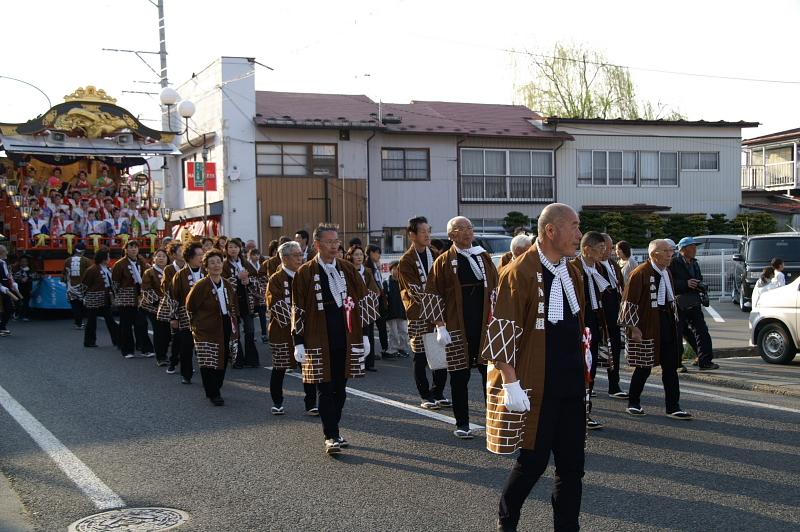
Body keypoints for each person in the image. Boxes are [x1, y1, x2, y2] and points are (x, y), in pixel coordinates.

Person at [485, 203, 587, 532]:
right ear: (551, 231)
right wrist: (510, 383)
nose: (579, 234)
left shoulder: (573, 271)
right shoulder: (519, 272)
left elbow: (579, 324)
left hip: (572, 382)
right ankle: (507, 520)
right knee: (533, 462)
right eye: (573, 226)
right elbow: (501, 331)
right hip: (538, 385)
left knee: (572, 467)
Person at [291, 224, 369, 454]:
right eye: (329, 242)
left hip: (345, 333)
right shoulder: (305, 272)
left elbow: (363, 300)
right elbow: (298, 308)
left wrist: (365, 335)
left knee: (341, 387)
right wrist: (298, 340)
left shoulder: (347, 268)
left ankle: (334, 427)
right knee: (324, 387)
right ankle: (331, 434)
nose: (334, 246)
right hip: (318, 334)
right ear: (317, 245)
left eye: (336, 241)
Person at [425, 216, 499, 439]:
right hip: (457, 325)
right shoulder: (444, 261)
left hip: (484, 324)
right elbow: (432, 294)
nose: (468, 232)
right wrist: (439, 325)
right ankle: (462, 423)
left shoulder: (482, 256)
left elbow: (496, 287)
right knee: (459, 376)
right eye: (461, 229)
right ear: (451, 235)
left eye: (470, 228)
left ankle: (493, 421)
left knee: (490, 374)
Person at [621, 239, 692, 419]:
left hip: (666, 322)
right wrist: (633, 328)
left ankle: (673, 406)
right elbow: (628, 302)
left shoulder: (666, 271)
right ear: (654, 254)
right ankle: (633, 402)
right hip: (647, 324)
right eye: (666, 251)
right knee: (644, 366)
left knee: (670, 367)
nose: (671, 254)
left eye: (671, 251)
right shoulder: (640, 273)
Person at [397, 216, 448, 410]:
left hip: (439, 312)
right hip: (419, 313)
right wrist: (437, 302)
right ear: (412, 235)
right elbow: (414, 291)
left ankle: (438, 392)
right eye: (423, 231)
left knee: (440, 353)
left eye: (429, 230)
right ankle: (425, 395)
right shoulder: (406, 261)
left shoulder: (434, 254)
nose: (427, 234)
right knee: (420, 356)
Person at [266, 241, 317, 415]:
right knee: (280, 367)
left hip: (307, 330)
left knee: (308, 367)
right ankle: (277, 402)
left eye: (300, 254)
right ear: (284, 258)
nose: (300, 258)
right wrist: (297, 319)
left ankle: (311, 404)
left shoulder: (307, 274)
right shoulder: (276, 279)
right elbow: (275, 304)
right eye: (296, 255)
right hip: (281, 331)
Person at [186, 249, 240, 406]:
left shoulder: (227, 284)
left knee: (222, 358)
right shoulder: (201, 285)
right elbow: (191, 306)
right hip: (205, 327)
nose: (216, 265)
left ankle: (216, 386)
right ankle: (213, 393)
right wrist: (196, 325)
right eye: (212, 263)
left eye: (218, 262)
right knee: (208, 360)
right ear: (206, 267)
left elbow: (233, 305)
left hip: (225, 324)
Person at [570, 231, 608, 430]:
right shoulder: (572, 268)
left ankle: (585, 412)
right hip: (577, 323)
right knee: (578, 368)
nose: (604, 252)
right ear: (587, 249)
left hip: (594, 321)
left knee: (590, 367)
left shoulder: (599, 268)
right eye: (600, 248)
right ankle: (577, 413)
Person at [670, 236, 718, 371]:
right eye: (692, 247)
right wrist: (685, 283)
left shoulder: (694, 263)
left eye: (695, 246)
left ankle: (705, 361)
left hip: (694, 301)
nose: (695, 249)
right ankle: (677, 364)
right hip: (679, 303)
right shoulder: (673, 262)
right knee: (677, 333)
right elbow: (668, 282)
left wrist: (700, 284)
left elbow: (699, 278)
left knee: (702, 331)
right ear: (683, 249)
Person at [168, 242, 205, 384]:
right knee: (186, 346)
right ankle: (186, 373)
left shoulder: (206, 272)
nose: (201, 257)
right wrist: (174, 316)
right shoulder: (180, 275)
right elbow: (173, 297)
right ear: (189, 257)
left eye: (202, 254)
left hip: (205, 315)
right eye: (198, 255)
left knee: (204, 346)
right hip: (185, 315)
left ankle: (206, 373)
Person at [112, 241, 154, 358]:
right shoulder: (119, 264)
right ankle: (127, 350)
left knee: (142, 323)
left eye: (135, 247)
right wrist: (120, 296)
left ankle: (145, 348)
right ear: (126, 250)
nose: (134, 250)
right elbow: (115, 283)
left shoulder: (142, 262)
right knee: (126, 325)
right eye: (131, 247)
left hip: (140, 297)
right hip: (125, 297)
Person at [222, 238, 260, 368]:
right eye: (230, 247)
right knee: (235, 332)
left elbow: (256, 279)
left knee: (250, 330)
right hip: (232, 303)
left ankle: (251, 359)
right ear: (226, 249)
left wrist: (248, 281)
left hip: (246, 301)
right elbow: (222, 282)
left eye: (236, 247)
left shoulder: (246, 263)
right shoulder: (224, 265)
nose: (233, 249)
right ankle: (237, 359)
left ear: (240, 249)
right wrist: (237, 279)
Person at [598, 233, 628, 399]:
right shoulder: (589, 265)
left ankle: (614, 384)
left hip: (615, 314)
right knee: (592, 350)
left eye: (611, 248)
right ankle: (589, 385)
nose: (611, 251)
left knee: (614, 349)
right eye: (608, 248)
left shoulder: (613, 265)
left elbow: (621, 286)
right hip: (597, 315)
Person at [345, 244, 382, 372]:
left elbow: (374, 288)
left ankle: (369, 362)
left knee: (369, 334)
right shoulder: (347, 270)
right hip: (352, 307)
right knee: (353, 334)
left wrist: (369, 297)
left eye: (361, 254)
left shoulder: (367, 271)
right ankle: (354, 361)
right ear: (350, 256)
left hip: (366, 305)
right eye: (356, 254)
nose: (359, 257)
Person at [81, 249, 119, 348]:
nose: (109, 259)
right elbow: (84, 285)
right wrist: (83, 297)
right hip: (94, 298)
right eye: (108, 257)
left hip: (105, 298)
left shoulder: (107, 268)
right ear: (103, 259)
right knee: (91, 321)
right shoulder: (92, 270)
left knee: (110, 320)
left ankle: (117, 340)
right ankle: (89, 341)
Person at [158, 240, 185, 373]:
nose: (183, 253)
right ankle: (173, 361)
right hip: (174, 304)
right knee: (176, 336)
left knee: (187, 336)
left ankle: (185, 364)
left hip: (187, 305)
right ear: (173, 255)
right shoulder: (169, 269)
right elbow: (166, 288)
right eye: (180, 251)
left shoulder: (189, 266)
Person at [141, 248, 170, 367]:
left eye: (164, 256)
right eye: (159, 256)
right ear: (154, 258)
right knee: (159, 331)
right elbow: (146, 289)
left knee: (167, 333)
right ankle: (160, 357)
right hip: (153, 307)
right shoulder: (149, 272)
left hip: (168, 306)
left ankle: (164, 353)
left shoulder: (170, 271)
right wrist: (157, 302)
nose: (161, 258)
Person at [365, 244, 389, 358]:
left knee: (382, 326)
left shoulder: (376, 266)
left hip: (380, 299)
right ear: (371, 253)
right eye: (377, 252)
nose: (379, 255)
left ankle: (385, 349)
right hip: (372, 300)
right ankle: (370, 353)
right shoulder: (367, 267)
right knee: (370, 328)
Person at [384, 261, 409, 356]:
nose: (397, 271)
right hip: (391, 312)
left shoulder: (403, 282)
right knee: (393, 333)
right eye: (394, 268)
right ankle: (393, 350)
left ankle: (402, 349)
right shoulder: (386, 282)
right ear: (390, 270)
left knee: (403, 332)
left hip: (402, 311)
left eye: (398, 269)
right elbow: (384, 298)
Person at [64, 243, 91, 329]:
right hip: (83, 287)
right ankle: (88, 322)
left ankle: (78, 323)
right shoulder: (86, 260)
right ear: (83, 251)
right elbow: (90, 274)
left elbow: (64, 275)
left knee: (75, 306)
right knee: (85, 306)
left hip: (71, 286)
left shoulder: (67, 260)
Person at [247, 247, 269, 343]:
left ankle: (264, 334)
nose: (256, 256)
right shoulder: (246, 265)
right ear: (250, 255)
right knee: (251, 315)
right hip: (251, 292)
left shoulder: (262, 264)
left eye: (257, 254)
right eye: (254, 255)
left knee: (262, 314)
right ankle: (252, 335)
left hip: (261, 292)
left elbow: (265, 276)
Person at [0, 246, 20, 336]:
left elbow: (9, 275)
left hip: (6, 286)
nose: (7, 253)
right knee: (1, 309)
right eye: (5, 251)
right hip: (1, 287)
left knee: (9, 308)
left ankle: (2, 326)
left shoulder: (5, 262)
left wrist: (13, 283)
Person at [12, 256, 33, 321]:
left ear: (28, 263)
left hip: (27, 288)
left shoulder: (30, 270)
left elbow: (33, 278)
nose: (23, 263)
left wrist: (28, 279)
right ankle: (17, 314)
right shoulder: (17, 270)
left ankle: (25, 316)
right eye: (22, 261)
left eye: (25, 261)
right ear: (20, 262)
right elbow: (13, 278)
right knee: (17, 302)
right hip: (18, 289)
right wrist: (20, 279)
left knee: (26, 302)